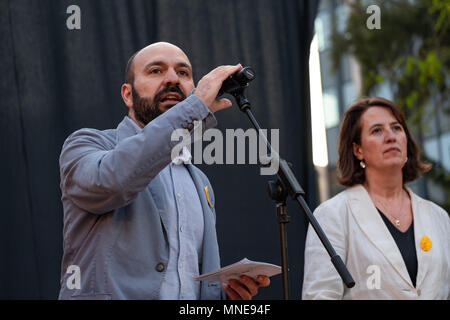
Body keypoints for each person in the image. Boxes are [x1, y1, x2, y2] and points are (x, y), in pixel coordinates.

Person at [58, 42, 269, 300]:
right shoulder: (86, 145)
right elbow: (111, 182)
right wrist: (194, 108)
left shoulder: (198, 180)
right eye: (156, 71)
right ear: (127, 94)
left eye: (183, 73)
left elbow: (182, 280)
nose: (172, 79)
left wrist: (225, 297)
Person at [302, 97, 449, 299]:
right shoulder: (332, 215)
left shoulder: (439, 217)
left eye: (396, 128)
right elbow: (319, 295)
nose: (390, 136)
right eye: (377, 130)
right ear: (358, 150)